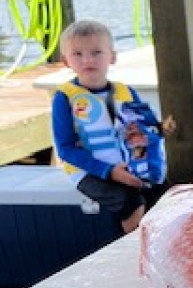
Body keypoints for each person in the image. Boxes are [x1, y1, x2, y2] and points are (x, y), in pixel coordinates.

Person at [51, 20, 171, 234]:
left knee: (167, 195)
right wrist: (110, 172)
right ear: (65, 61)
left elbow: (142, 129)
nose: (88, 60)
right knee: (132, 202)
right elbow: (65, 149)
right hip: (89, 171)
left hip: (128, 166)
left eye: (96, 52)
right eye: (77, 54)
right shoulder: (65, 98)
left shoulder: (126, 92)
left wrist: (159, 130)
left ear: (112, 57)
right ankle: (132, 255)